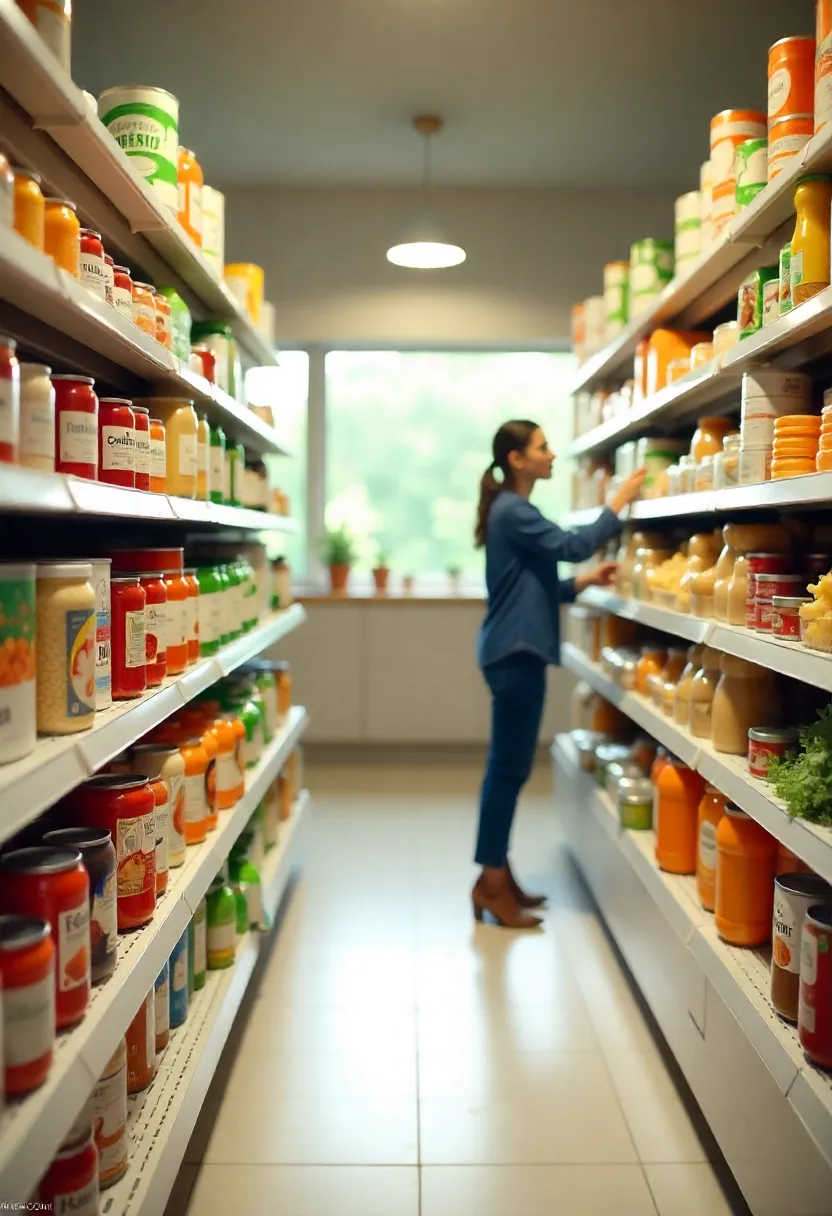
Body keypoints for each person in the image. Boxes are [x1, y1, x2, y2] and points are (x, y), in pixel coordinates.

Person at [472, 419, 645, 928]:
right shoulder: (514, 510)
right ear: (517, 459)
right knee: (507, 772)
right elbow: (571, 545)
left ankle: (498, 875)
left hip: (513, 650)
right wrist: (617, 502)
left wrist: (581, 584)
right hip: (516, 654)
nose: (551, 455)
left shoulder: (511, 510)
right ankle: (491, 884)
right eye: (542, 448)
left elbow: (529, 584)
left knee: (510, 770)